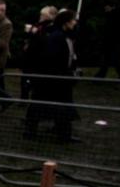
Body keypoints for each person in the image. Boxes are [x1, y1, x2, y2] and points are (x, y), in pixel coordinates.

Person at [24, 9, 80, 142]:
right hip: (53, 80)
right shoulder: (57, 37)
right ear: (66, 22)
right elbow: (50, 58)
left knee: (62, 107)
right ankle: (31, 131)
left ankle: (64, 134)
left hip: (60, 79)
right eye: (72, 20)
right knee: (41, 105)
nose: (74, 22)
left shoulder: (64, 36)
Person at [21, 5, 57, 100]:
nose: (41, 17)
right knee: (25, 78)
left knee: (34, 81)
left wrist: (34, 33)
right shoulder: (38, 25)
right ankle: (23, 97)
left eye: (43, 15)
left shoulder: (51, 28)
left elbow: (44, 41)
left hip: (40, 59)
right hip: (30, 57)